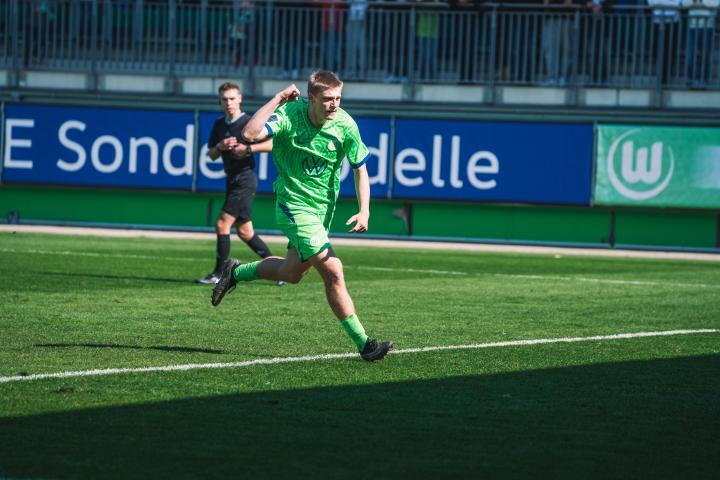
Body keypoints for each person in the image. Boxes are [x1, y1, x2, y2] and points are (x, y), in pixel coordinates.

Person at [211, 71, 393, 362]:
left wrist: (364, 210)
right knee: (333, 270)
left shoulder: (345, 124)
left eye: (338, 98)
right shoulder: (288, 114)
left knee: (292, 273)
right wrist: (278, 98)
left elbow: (360, 169)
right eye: (328, 99)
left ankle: (236, 272)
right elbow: (249, 135)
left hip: (322, 213)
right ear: (311, 98)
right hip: (293, 206)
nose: (334, 104)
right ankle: (365, 344)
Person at [197, 82, 283, 287]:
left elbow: (273, 143)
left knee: (222, 224)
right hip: (232, 179)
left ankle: (219, 274)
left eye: (232, 98)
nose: (228, 103)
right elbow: (211, 155)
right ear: (220, 101)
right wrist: (220, 146)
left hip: (245, 179)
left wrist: (248, 149)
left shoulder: (249, 122)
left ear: (240, 99)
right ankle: (280, 270)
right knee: (245, 232)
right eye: (224, 99)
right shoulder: (219, 124)